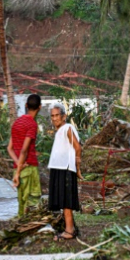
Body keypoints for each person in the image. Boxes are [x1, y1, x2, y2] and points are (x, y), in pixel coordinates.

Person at [48, 102, 83, 241]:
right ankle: (70, 228)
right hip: (59, 168)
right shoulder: (59, 131)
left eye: (57, 115)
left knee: (66, 200)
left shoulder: (67, 128)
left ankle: (69, 231)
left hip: (66, 168)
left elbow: (78, 148)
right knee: (62, 200)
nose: (55, 118)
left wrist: (78, 168)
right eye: (52, 116)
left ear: (64, 116)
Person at [9, 94, 42, 216]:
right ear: (40, 107)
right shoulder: (32, 124)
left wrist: (17, 165)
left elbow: (10, 148)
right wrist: (19, 169)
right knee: (32, 203)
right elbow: (24, 150)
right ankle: (29, 230)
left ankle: (20, 229)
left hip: (18, 167)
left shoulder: (16, 123)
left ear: (26, 105)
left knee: (22, 203)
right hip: (29, 168)